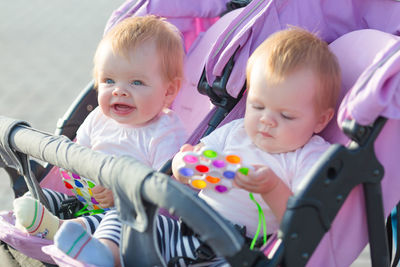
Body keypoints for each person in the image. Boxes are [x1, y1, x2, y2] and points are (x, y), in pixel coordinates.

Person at [48, 26, 341, 266]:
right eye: (257, 105)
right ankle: (100, 254)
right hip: (188, 229)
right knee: (125, 219)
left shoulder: (309, 157)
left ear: (321, 120)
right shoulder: (235, 133)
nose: (266, 121)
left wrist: (271, 188)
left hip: (239, 251)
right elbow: (183, 165)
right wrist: (187, 165)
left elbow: (304, 224)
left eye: (285, 115)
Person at [12, 15, 187, 267]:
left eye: (136, 82)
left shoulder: (165, 131)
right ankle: (37, 219)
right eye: (108, 81)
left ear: (169, 91)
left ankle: (61, 230)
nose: (119, 90)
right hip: (87, 200)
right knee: (43, 194)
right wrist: (80, 179)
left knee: (116, 220)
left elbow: (164, 192)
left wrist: (121, 196)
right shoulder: (97, 117)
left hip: (131, 216)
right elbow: (75, 153)